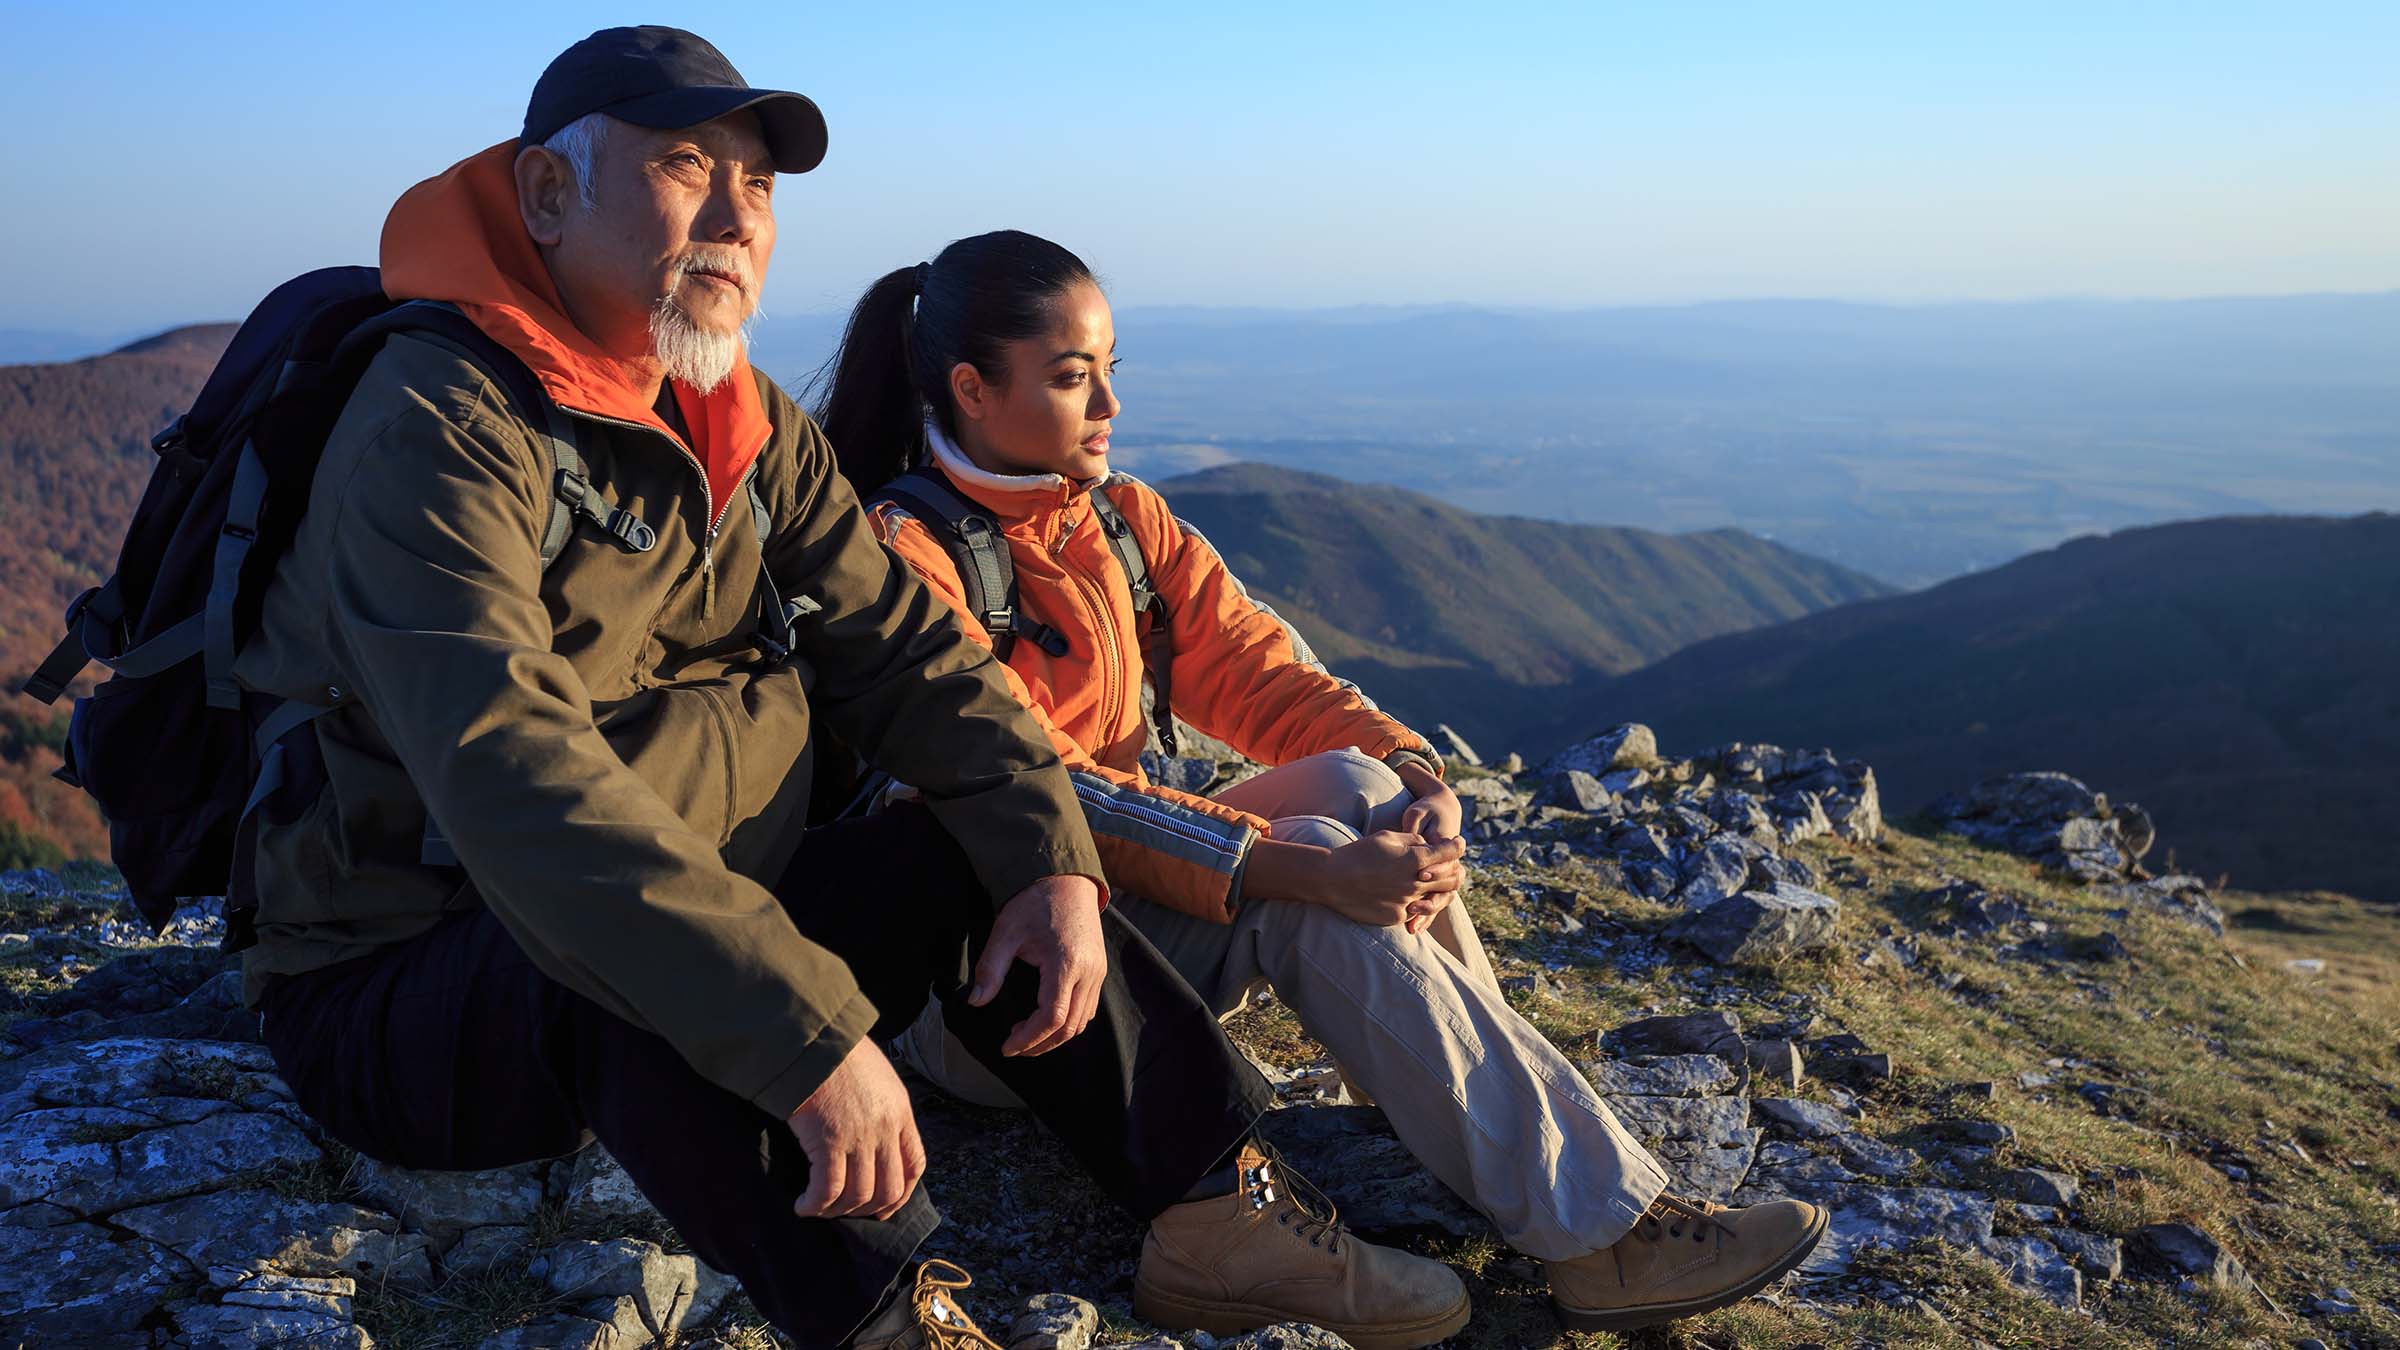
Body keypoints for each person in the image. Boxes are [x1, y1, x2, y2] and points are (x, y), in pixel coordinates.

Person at [233, 29, 1467, 1350]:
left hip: (703, 896)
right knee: (620, 958)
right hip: (412, 976)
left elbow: (911, 657)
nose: (735, 217)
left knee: (959, 838)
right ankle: (890, 1312)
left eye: (758, 185)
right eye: (685, 167)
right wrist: (803, 1033)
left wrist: (1050, 862)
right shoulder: (438, 427)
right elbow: (521, 787)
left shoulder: (737, 418)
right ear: (547, 194)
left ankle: (1217, 1213)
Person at [817, 229, 1830, 1333]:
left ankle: (1477, 1133)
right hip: (992, 991)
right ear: (972, 389)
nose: (1109, 403)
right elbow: (1041, 797)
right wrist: (1298, 871)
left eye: (1111, 368)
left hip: (1118, 920)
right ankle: (1604, 1239)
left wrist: (1415, 771)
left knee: (1357, 786)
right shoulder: (905, 555)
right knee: (1314, 890)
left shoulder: (1116, 517)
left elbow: (1258, 669)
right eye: (1071, 378)